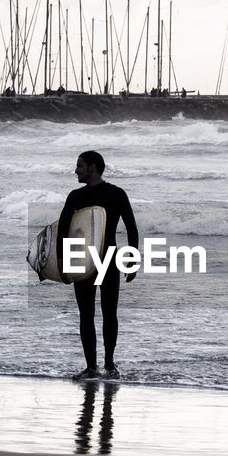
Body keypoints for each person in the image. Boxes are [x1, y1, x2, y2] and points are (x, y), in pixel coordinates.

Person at [58, 150, 139, 380]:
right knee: (86, 314)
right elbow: (63, 230)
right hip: (81, 261)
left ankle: (110, 365)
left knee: (109, 312)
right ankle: (91, 367)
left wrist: (132, 261)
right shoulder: (75, 196)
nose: (76, 170)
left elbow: (131, 227)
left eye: (80, 166)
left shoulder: (116, 194)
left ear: (92, 168)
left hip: (108, 260)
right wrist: (63, 261)